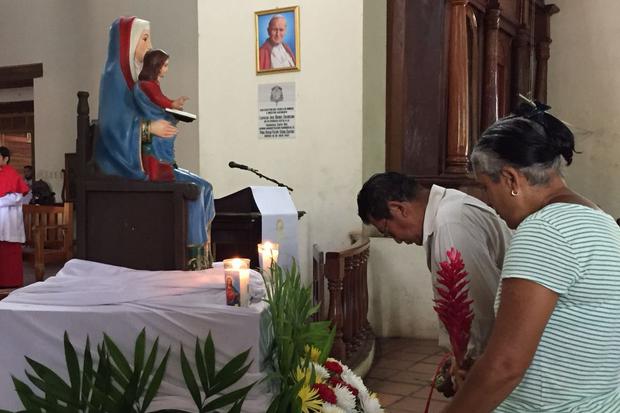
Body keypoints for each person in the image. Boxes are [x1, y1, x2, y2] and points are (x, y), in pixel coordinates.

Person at [442, 102, 620, 412]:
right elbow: (574, 336)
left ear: (510, 179)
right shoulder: (598, 219)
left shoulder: (546, 230)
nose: (489, 201)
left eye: (486, 187)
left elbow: (506, 366)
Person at [93, 16, 214, 269]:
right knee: (193, 190)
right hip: (126, 165)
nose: (149, 46)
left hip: (152, 156)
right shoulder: (115, 78)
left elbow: (154, 108)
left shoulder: (141, 80)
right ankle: (191, 259)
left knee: (205, 187)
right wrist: (150, 128)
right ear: (128, 42)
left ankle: (202, 253)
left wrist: (168, 120)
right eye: (145, 39)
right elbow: (112, 130)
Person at [357, 172, 512, 363]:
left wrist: (468, 364)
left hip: (497, 354)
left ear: (398, 209)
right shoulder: (447, 209)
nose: (397, 240)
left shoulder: (451, 224)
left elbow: (480, 312)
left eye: (388, 230)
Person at [136, 48, 188, 181]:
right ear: (156, 65)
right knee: (160, 137)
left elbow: (159, 100)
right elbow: (158, 99)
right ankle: (163, 165)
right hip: (149, 127)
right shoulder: (146, 85)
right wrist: (172, 104)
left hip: (150, 126)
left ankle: (167, 164)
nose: (166, 69)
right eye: (165, 65)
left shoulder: (153, 84)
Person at [0, 146, 31, 287]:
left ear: (5, 158)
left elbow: (17, 197)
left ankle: (12, 282)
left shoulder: (12, 174)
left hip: (9, 217)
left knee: (10, 252)